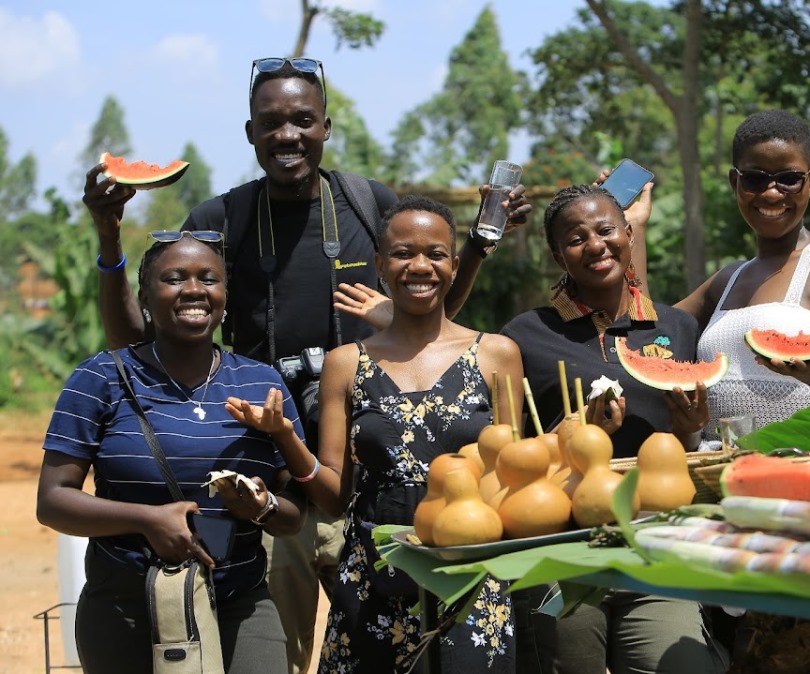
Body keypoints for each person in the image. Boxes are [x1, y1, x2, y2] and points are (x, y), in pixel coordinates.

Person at [81, 57, 530, 674]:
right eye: (271, 123)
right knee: (275, 656)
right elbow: (146, 338)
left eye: (302, 121)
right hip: (270, 484)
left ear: (326, 127)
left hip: (376, 487)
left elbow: (431, 316)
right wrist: (110, 242)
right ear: (250, 133)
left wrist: (461, 258)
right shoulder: (221, 220)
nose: (287, 135)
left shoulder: (368, 204)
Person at [257, 196, 524, 672]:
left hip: (471, 580)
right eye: (402, 253)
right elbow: (336, 498)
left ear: (454, 264)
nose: (419, 266)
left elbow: (512, 482)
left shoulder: (497, 354)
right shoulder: (346, 363)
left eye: (435, 254)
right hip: (373, 580)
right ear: (380, 265)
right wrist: (286, 439)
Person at [36, 232, 305, 674]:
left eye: (209, 279)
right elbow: (53, 501)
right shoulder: (100, 378)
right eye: (174, 278)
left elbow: (294, 516)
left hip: (239, 602)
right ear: (145, 296)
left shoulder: (262, 384)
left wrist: (262, 507)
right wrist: (147, 520)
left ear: (224, 295)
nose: (194, 290)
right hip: (126, 606)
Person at [501, 185, 728, 674]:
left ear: (629, 233)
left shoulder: (677, 328)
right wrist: (573, 432)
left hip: (656, 546)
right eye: (577, 238)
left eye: (606, 230)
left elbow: (681, 449)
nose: (596, 245)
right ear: (557, 253)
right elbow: (509, 454)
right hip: (560, 552)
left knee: (683, 664)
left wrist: (691, 431)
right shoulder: (524, 335)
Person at [635, 109, 810, 430]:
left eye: (789, 179)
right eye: (755, 179)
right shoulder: (726, 280)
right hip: (717, 469)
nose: (771, 193)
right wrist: (633, 228)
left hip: (806, 467)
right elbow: (648, 334)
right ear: (735, 182)